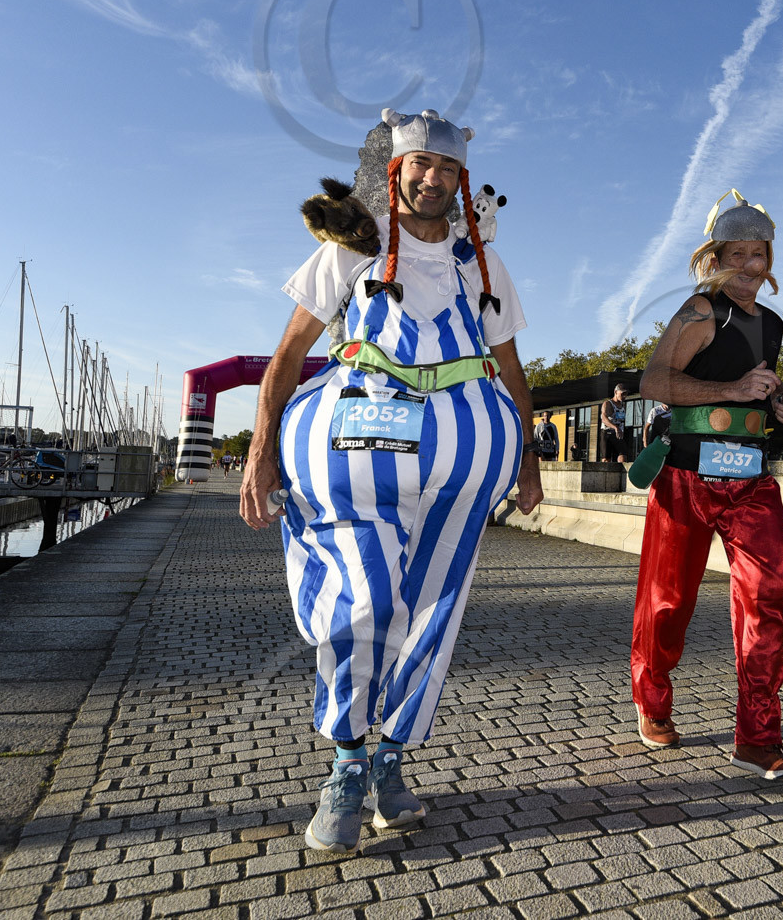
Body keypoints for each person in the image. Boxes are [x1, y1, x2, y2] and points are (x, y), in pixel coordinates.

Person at [239, 108, 543, 852]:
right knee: (366, 600)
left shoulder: (483, 265)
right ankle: (346, 763)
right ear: (396, 171)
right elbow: (288, 354)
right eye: (421, 166)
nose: (433, 179)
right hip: (359, 448)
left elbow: (510, 368)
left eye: (447, 168)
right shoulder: (351, 250)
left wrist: (529, 459)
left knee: (435, 609)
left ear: (462, 179)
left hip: (461, 462)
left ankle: (391, 759)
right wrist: (260, 450)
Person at [631, 189, 783, 780]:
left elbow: (754, 391)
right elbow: (654, 382)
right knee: (667, 603)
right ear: (715, 259)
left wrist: (780, 406)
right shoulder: (700, 311)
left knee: (766, 603)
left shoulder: (773, 323)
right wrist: (732, 390)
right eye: (738, 254)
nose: (751, 266)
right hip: (684, 478)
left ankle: (757, 738)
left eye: (759, 254)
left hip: (751, 480)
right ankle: (652, 699)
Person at [600, 383, 628, 462]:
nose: (624, 396)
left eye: (626, 394)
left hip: (618, 434)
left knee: (623, 457)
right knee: (606, 459)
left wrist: (620, 429)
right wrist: (615, 427)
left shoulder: (623, 405)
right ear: (615, 392)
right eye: (622, 394)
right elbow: (604, 419)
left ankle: (621, 470)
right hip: (607, 433)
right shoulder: (608, 404)